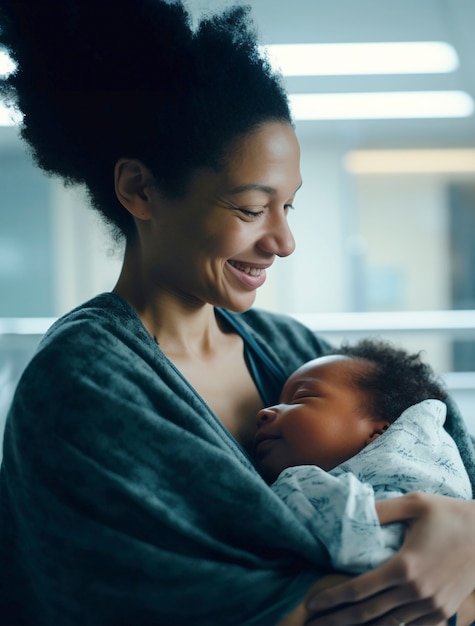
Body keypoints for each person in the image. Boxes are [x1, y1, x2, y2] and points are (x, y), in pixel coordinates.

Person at [0, 1, 475, 625]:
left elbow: (444, 467)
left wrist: (463, 531)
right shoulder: (83, 385)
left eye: (289, 208)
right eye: (252, 209)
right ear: (139, 190)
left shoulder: (289, 346)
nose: (282, 241)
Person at [254, 339, 472, 578]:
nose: (264, 412)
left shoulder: (412, 469)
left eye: (300, 398)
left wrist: (294, 483)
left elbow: (371, 549)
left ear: (379, 433)